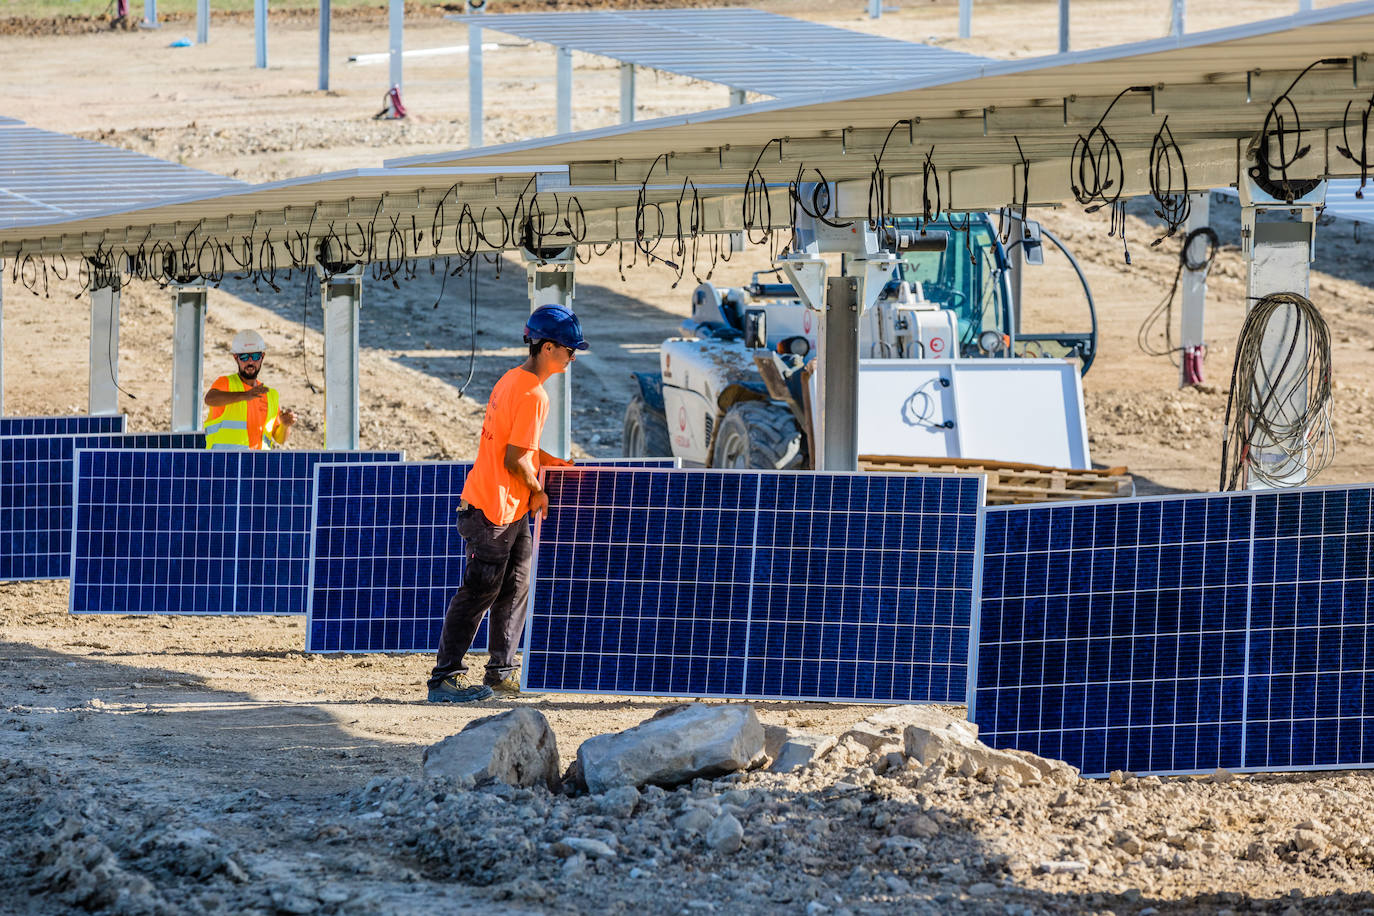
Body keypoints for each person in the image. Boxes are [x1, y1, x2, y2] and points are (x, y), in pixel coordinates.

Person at [427, 304, 587, 702]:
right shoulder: (533, 394)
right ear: (548, 347)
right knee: (479, 592)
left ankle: (501, 672)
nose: (572, 357)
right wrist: (539, 489)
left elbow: (517, 446)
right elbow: (514, 460)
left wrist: (552, 464)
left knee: (515, 587)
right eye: (569, 350)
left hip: (505, 508)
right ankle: (445, 678)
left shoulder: (512, 380)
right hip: (493, 510)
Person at [203, 329, 297, 450]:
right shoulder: (225, 383)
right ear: (235, 358)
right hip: (225, 464)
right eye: (244, 356)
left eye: (255, 356)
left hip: (259, 465)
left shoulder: (271, 395)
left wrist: (285, 425)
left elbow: (279, 439)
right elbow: (210, 399)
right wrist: (244, 395)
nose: (250, 361)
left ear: (262, 357)